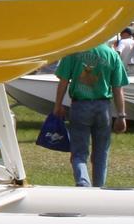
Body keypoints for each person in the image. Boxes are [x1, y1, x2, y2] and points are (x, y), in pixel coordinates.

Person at [51, 40, 129, 187]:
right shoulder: (112, 54)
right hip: (103, 107)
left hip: (80, 105)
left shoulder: (74, 51)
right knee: (101, 152)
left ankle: (83, 184)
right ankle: (99, 187)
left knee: (79, 152)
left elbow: (63, 81)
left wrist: (57, 105)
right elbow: (118, 88)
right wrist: (121, 115)